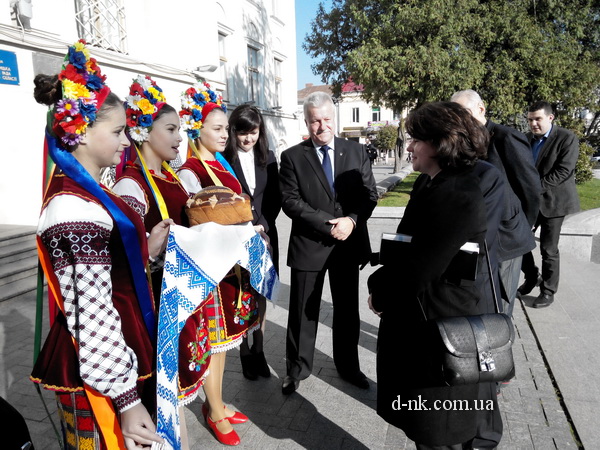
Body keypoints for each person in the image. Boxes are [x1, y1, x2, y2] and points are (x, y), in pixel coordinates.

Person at [31, 41, 169, 449]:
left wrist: (150, 247)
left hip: (113, 358)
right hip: (100, 373)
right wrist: (126, 400)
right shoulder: (72, 206)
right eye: (118, 131)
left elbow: (106, 274)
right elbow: (91, 313)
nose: (128, 141)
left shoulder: (87, 192)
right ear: (81, 132)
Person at [368, 101, 503, 449]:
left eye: (416, 139)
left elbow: (420, 268)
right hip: (420, 322)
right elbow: (409, 244)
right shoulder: (430, 183)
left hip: (439, 330)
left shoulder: (457, 192)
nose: (409, 146)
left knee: (438, 433)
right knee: (423, 429)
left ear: (441, 143)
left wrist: (379, 291)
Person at [112, 75, 210, 449]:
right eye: (170, 129)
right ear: (142, 132)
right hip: (153, 306)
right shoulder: (131, 185)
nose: (179, 138)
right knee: (159, 399)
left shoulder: (172, 177)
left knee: (174, 399)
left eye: (181, 130)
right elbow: (122, 260)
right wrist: (151, 251)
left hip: (179, 297)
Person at [279, 91, 378, 394]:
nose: (321, 127)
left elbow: (369, 195)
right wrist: (328, 225)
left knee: (347, 311)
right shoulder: (293, 156)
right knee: (302, 311)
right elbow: (290, 202)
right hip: (310, 246)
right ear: (306, 122)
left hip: (347, 244)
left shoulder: (356, 151)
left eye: (325, 120)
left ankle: (349, 368)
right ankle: (297, 369)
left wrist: (350, 221)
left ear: (334, 119)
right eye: (314, 121)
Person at [177, 83, 259, 446]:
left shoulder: (220, 162)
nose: (226, 134)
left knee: (224, 340)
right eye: (218, 128)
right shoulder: (191, 171)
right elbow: (196, 223)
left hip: (231, 267)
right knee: (211, 340)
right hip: (210, 269)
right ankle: (212, 410)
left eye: (227, 128)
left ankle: (219, 402)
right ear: (198, 130)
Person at [451, 89, 541, 317]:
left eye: (464, 113)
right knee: (481, 301)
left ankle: (501, 348)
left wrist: (520, 222)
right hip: (477, 236)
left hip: (506, 238)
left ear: (481, 109)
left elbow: (529, 186)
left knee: (501, 305)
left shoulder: (505, 137)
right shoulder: (465, 140)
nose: (460, 120)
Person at [224, 104, 281, 380]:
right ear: (233, 131)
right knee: (241, 294)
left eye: (253, 132)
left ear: (260, 132)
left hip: (265, 236)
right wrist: (245, 227)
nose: (248, 138)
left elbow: (274, 197)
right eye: (242, 132)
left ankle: (259, 349)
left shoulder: (268, 157)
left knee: (262, 293)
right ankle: (244, 353)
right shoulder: (224, 159)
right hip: (237, 237)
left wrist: (264, 225)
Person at [518, 101, 580, 308]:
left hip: (555, 203)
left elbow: (564, 171)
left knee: (548, 248)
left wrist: (534, 188)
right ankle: (531, 276)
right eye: (530, 120)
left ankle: (548, 291)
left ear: (550, 118)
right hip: (530, 202)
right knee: (519, 240)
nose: (533, 124)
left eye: (538, 119)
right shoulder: (525, 140)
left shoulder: (566, 138)